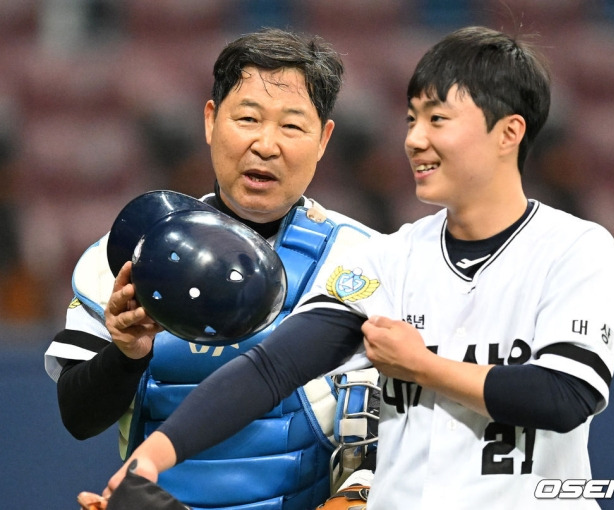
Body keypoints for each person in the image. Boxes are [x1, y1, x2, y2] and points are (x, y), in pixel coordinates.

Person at [102, 25, 614, 509]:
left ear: (508, 133)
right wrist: (147, 462)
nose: (414, 139)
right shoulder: (387, 258)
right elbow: (270, 370)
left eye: (437, 119)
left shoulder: (576, 249)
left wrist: (421, 366)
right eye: (411, 119)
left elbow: (566, 396)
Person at [45, 28, 379, 510]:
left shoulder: (366, 264)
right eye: (247, 118)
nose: (266, 144)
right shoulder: (126, 255)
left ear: (324, 138)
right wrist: (128, 352)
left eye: (291, 126)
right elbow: (78, 418)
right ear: (210, 120)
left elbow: (400, 434)